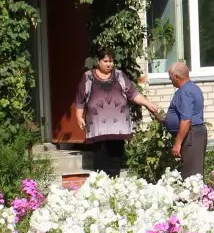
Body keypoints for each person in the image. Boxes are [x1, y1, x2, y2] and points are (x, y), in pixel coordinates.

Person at [74, 49, 161, 177]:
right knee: (101, 163)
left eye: (111, 61)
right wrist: (78, 116)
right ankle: (102, 188)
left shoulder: (120, 75)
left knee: (116, 162)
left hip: (118, 128)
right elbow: (80, 99)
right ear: (98, 61)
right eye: (105, 61)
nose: (109, 64)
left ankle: (115, 187)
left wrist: (148, 103)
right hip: (98, 128)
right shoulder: (88, 77)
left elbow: (132, 94)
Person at [163, 61, 207, 179]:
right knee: (193, 172)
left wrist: (177, 144)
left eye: (170, 76)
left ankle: (194, 198)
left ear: (176, 77)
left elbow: (186, 120)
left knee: (192, 177)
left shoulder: (185, 92)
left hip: (191, 135)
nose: (169, 78)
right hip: (194, 133)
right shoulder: (193, 88)